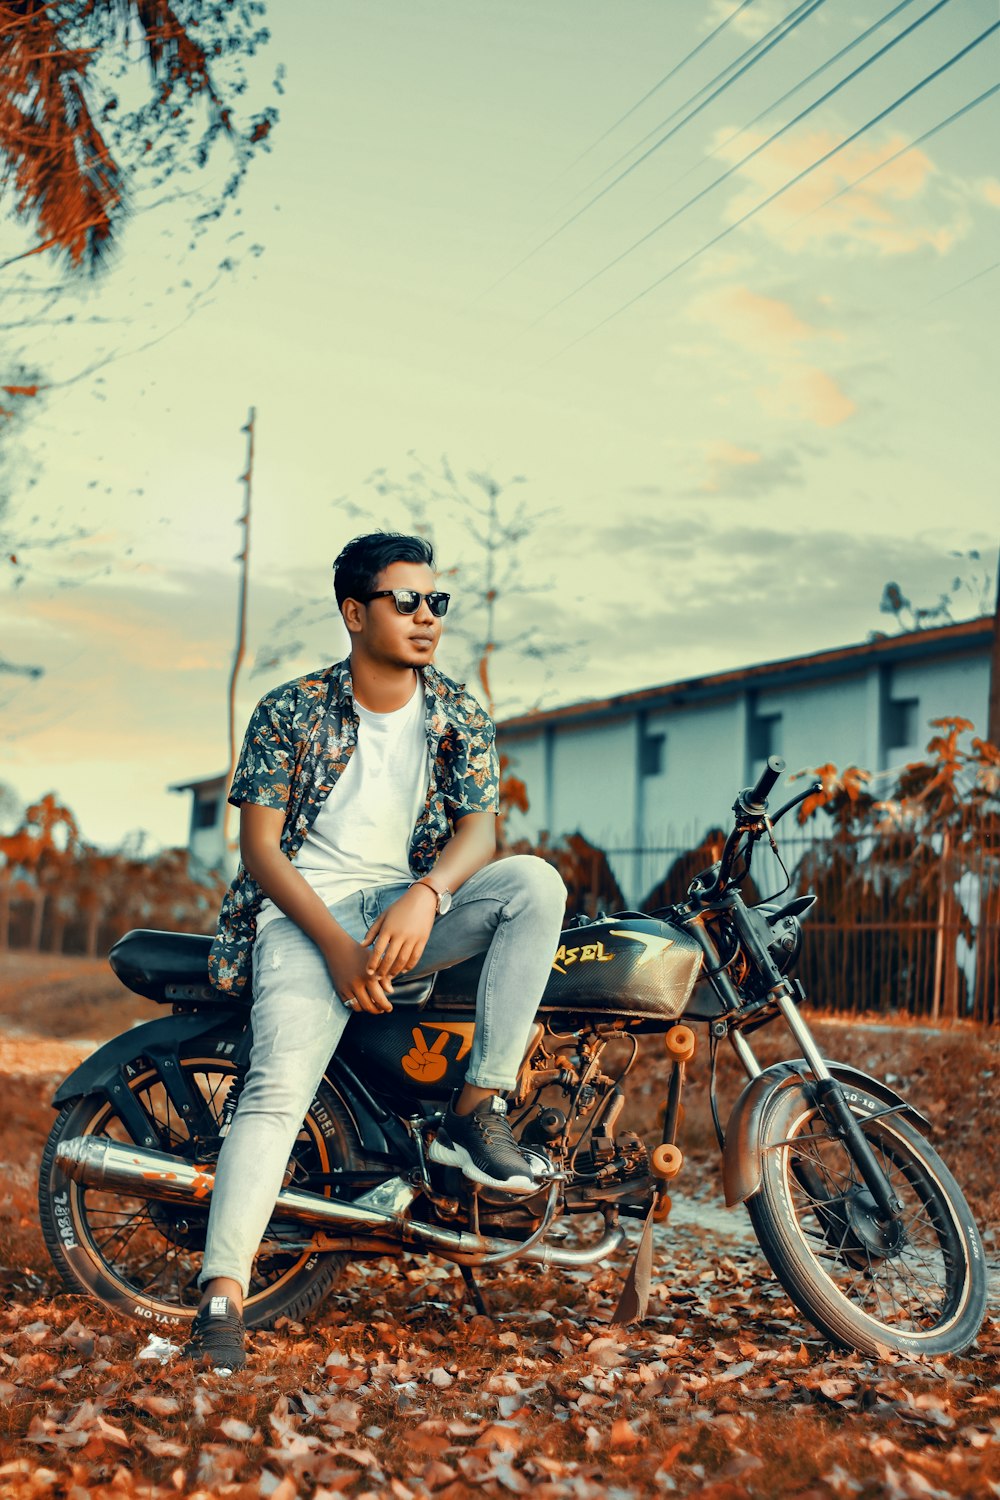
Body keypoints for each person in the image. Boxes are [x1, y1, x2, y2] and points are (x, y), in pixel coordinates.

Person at [183, 531, 567, 1371]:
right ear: (356, 613)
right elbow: (260, 850)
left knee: (535, 884)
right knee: (276, 1093)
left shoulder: (457, 710)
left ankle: (477, 1110)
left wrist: (426, 895)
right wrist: (338, 950)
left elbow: (479, 832)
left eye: (437, 602)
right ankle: (220, 1297)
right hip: (304, 918)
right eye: (406, 601)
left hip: (405, 914)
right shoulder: (292, 708)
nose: (427, 617)